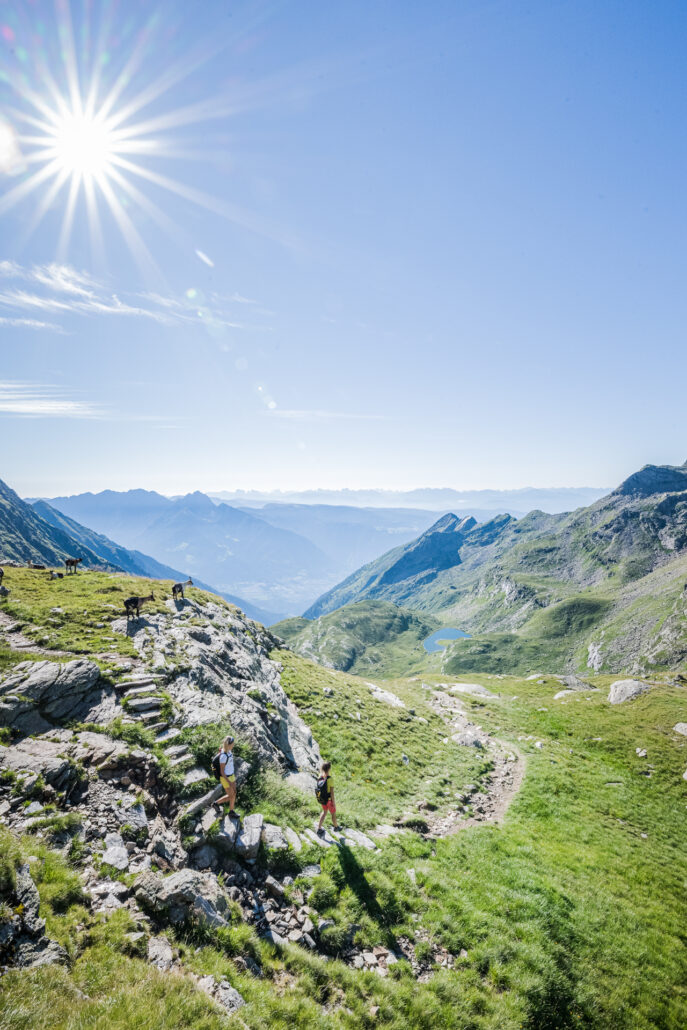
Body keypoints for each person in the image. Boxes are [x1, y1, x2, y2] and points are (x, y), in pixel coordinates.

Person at [213, 736, 238, 819]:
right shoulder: (223, 756)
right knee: (231, 795)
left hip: (232, 775)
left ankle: (230, 811)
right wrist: (229, 782)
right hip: (225, 778)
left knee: (234, 793)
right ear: (229, 745)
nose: (234, 744)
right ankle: (217, 803)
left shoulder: (229, 751)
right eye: (233, 743)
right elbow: (222, 772)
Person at [316, 760, 340, 836]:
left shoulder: (320, 777)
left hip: (322, 799)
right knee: (333, 814)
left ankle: (319, 828)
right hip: (329, 800)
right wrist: (334, 802)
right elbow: (332, 792)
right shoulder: (330, 779)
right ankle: (336, 827)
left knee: (324, 812)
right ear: (329, 769)